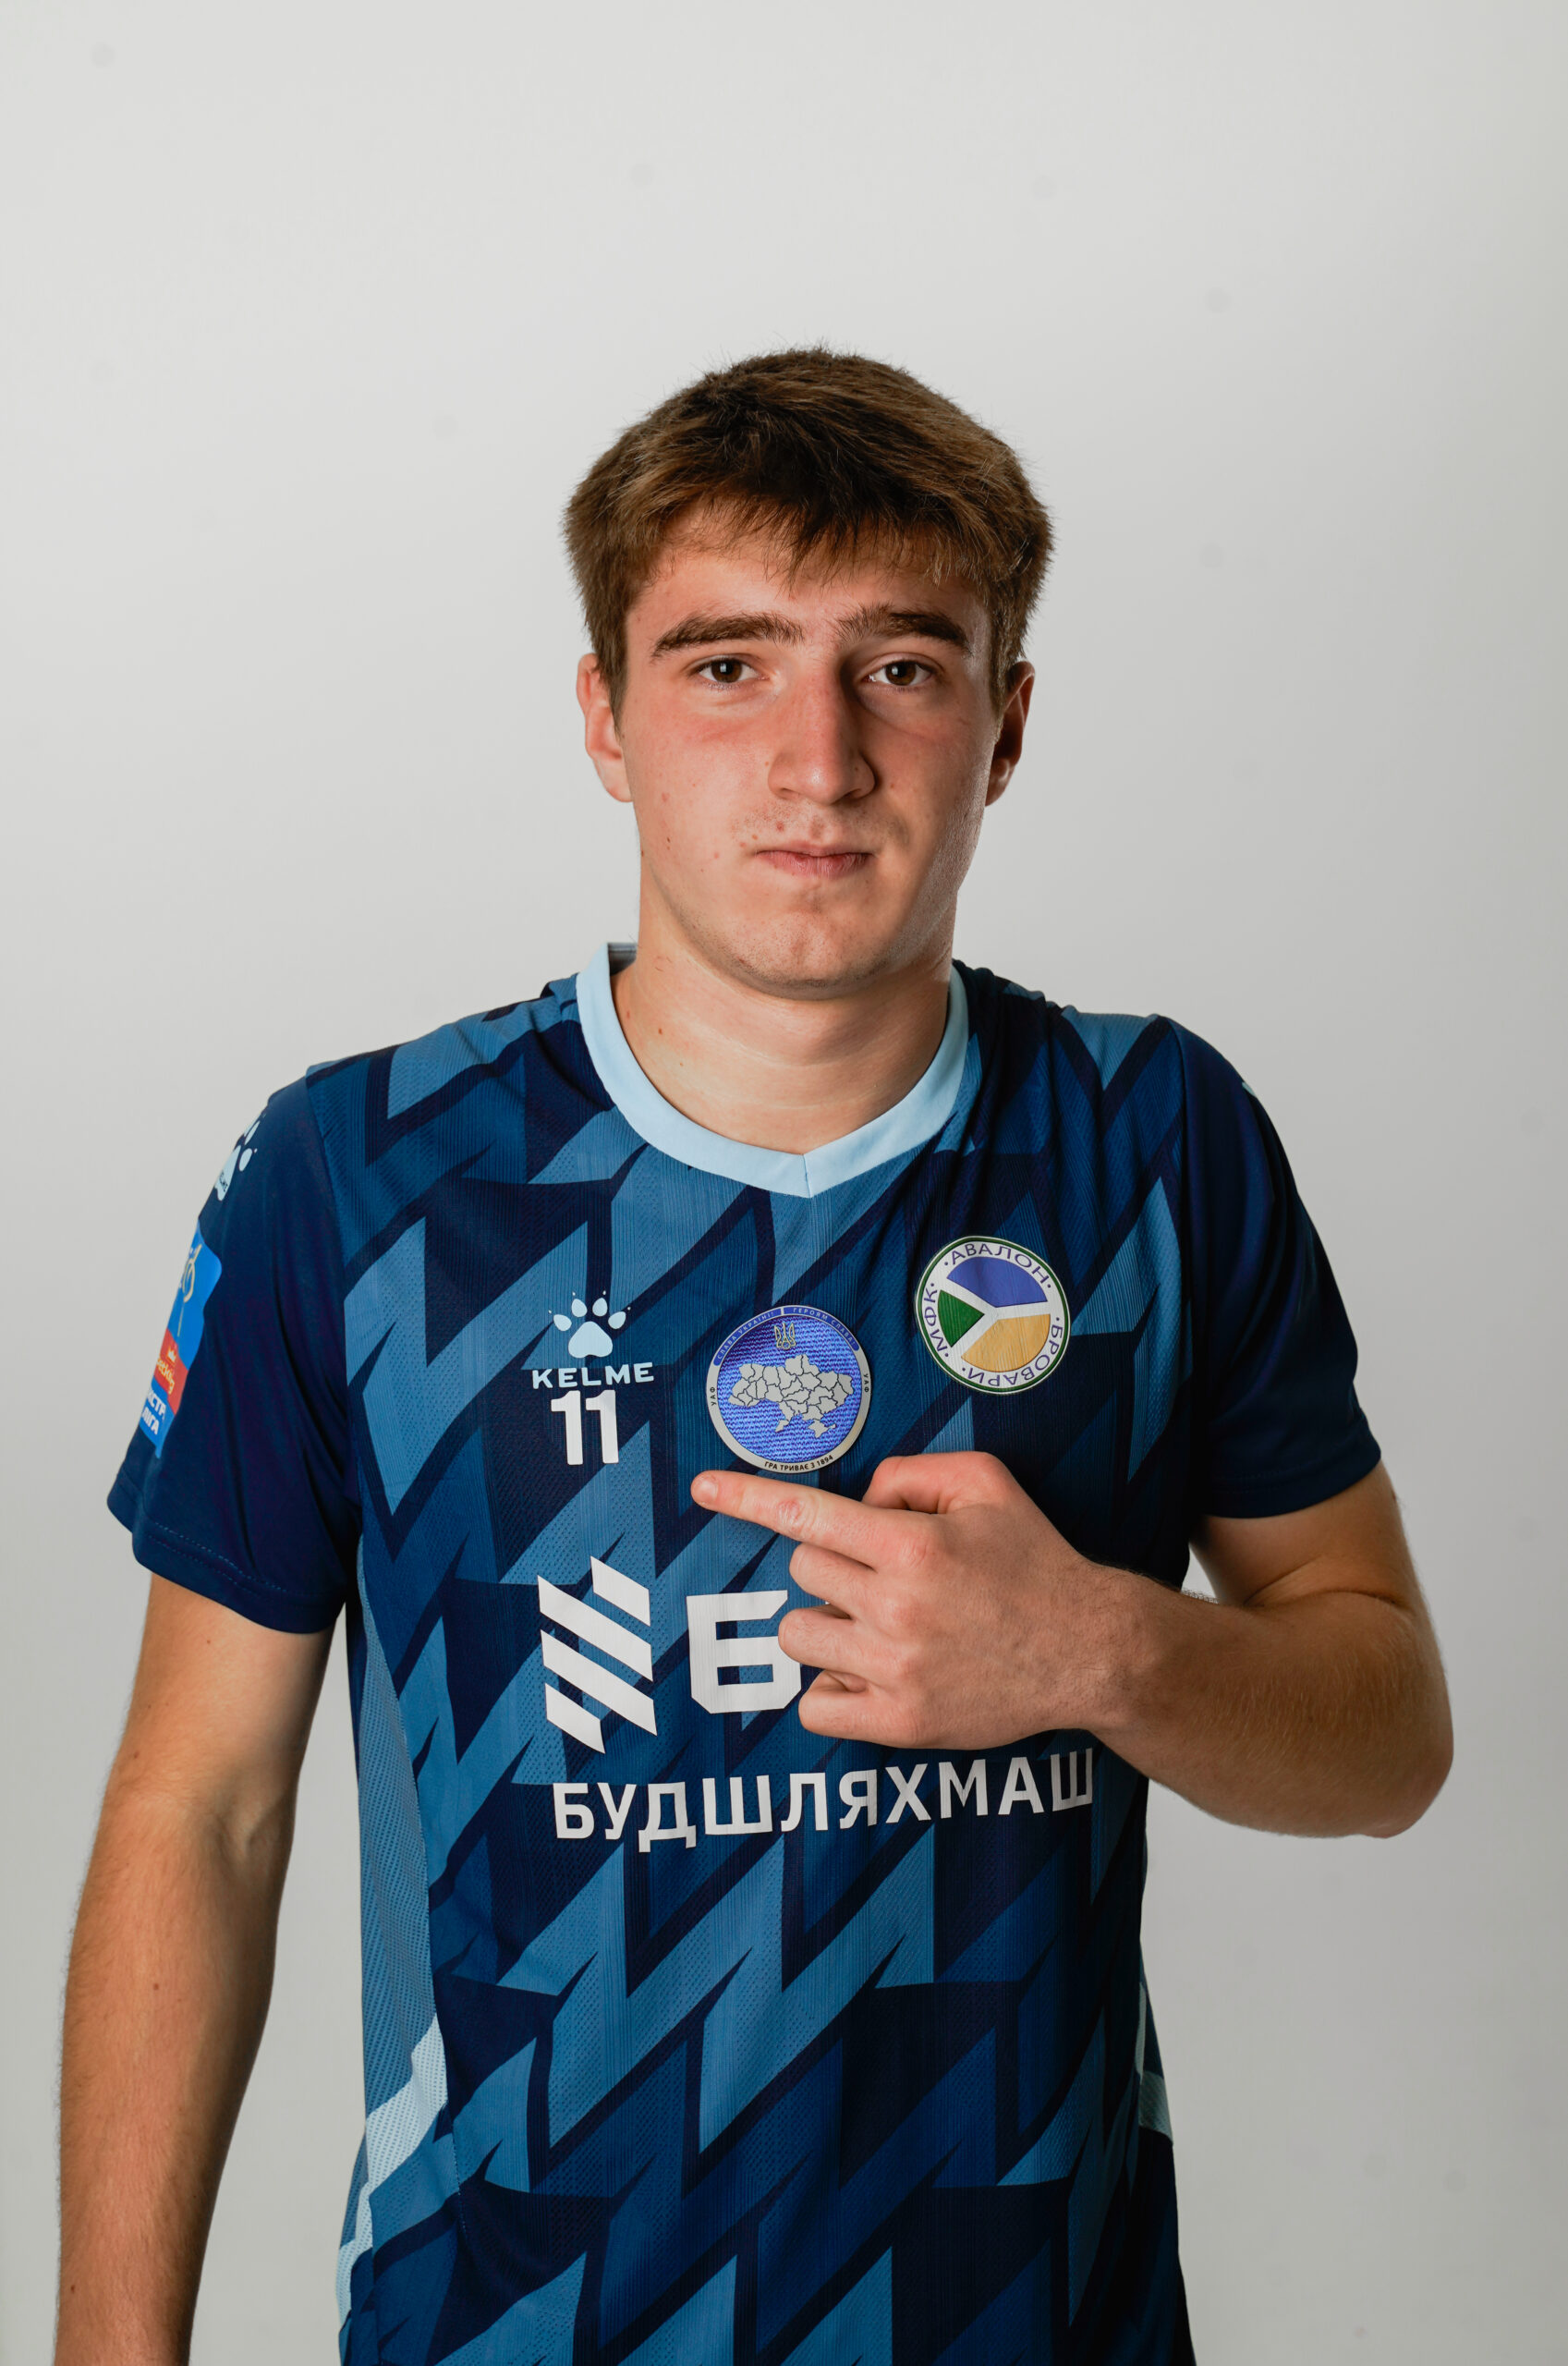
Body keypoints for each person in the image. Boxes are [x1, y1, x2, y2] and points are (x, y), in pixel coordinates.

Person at [57, 348, 1452, 2366]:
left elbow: (1389, 1726)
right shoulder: (357, 1178)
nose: (820, 758)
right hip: (504, 2324)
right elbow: (201, 1808)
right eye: (728, 665)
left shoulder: (1152, 1140)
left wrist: (1107, 1652)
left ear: (1006, 722)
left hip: (1033, 2320)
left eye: (901, 666)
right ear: (604, 718)